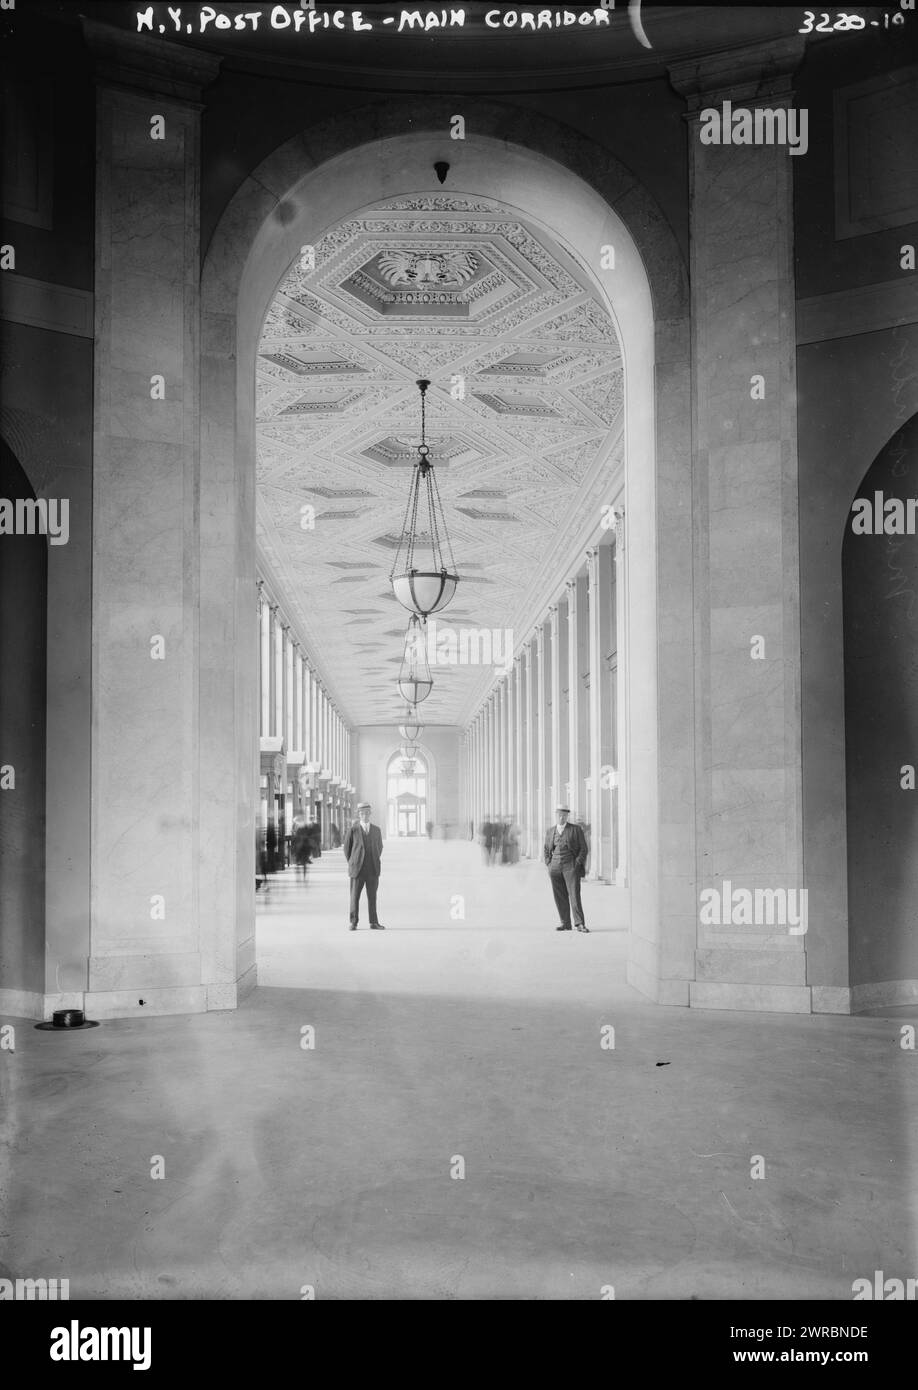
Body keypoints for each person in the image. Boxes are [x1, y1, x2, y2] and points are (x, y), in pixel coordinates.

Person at [543, 805, 590, 932]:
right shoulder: (550, 831)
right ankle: (565, 923)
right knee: (559, 896)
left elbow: (583, 849)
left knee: (574, 895)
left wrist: (576, 864)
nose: (561, 817)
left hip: (571, 866)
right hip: (555, 867)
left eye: (564, 815)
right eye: (559, 814)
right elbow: (546, 850)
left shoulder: (575, 829)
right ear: (555, 815)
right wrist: (549, 864)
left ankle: (579, 923)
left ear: (567, 816)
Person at [343, 802, 385, 931]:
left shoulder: (376, 830)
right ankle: (353, 922)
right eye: (362, 813)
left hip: (372, 869)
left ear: (370, 814)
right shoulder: (353, 830)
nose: (365, 815)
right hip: (357, 870)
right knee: (354, 897)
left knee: (372, 897)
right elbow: (347, 849)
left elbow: (380, 847)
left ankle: (373, 922)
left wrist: (374, 858)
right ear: (359, 814)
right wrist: (353, 862)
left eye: (367, 813)